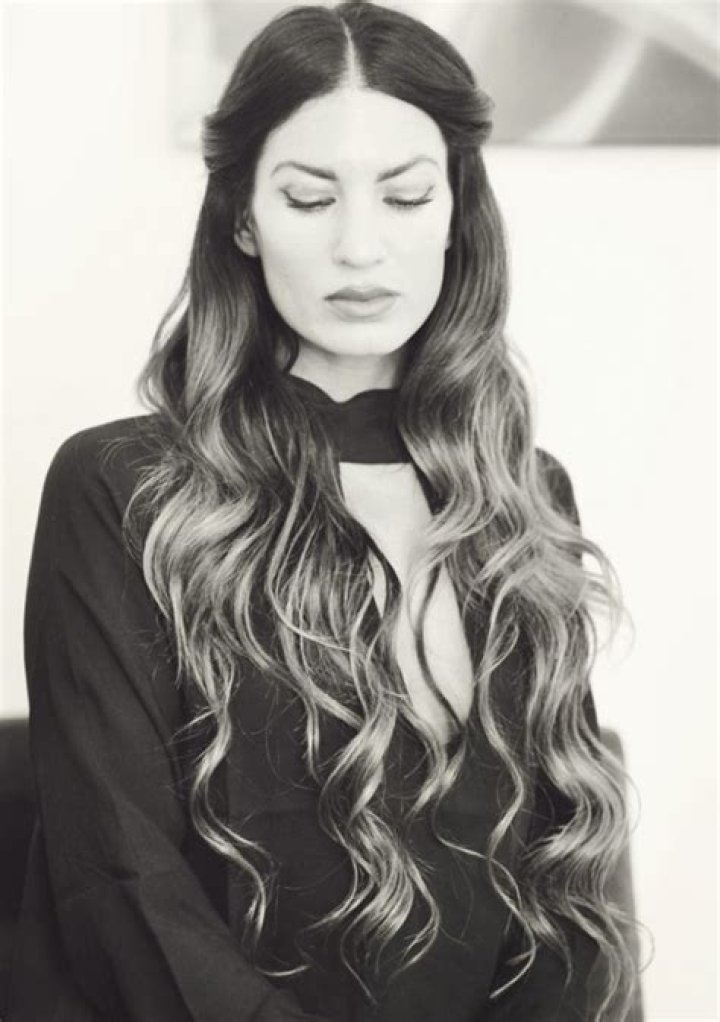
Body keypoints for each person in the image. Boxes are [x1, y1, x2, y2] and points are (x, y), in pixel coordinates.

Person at [9, 2, 639, 1019]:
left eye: (405, 195)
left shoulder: (524, 492)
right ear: (242, 219)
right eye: (309, 198)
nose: (360, 247)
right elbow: (122, 891)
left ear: (455, 209)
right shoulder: (120, 489)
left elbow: (564, 890)